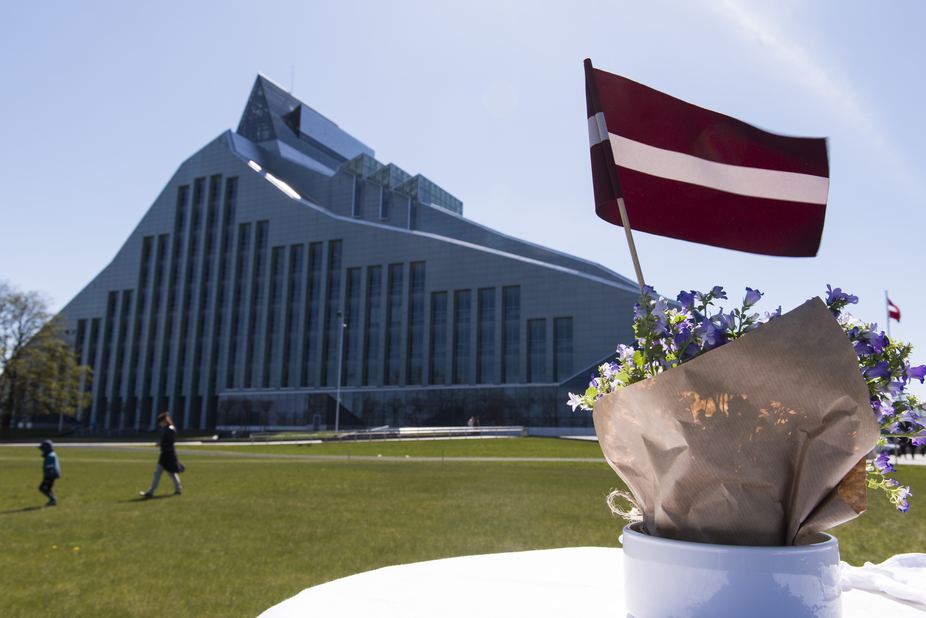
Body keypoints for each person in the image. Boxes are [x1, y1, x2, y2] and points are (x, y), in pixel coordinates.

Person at [140, 412, 183, 499]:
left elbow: (169, 442)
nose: (160, 424)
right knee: (171, 473)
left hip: (167, 454)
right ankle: (178, 489)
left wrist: (162, 444)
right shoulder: (169, 429)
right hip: (168, 454)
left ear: (164, 421)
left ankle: (150, 492)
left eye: (161, 422)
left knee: (159, 473)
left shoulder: (169, 429)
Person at [38, 440, 61, 507]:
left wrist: (48, 477)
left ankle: (53, 499)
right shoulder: (52, 454)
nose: (42, 451)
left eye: (43, 449)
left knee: (42, 488)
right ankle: (52, 500)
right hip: (52, 475)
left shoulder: (50, 456)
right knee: (48, 488)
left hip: (50, 475)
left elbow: (50, 467)